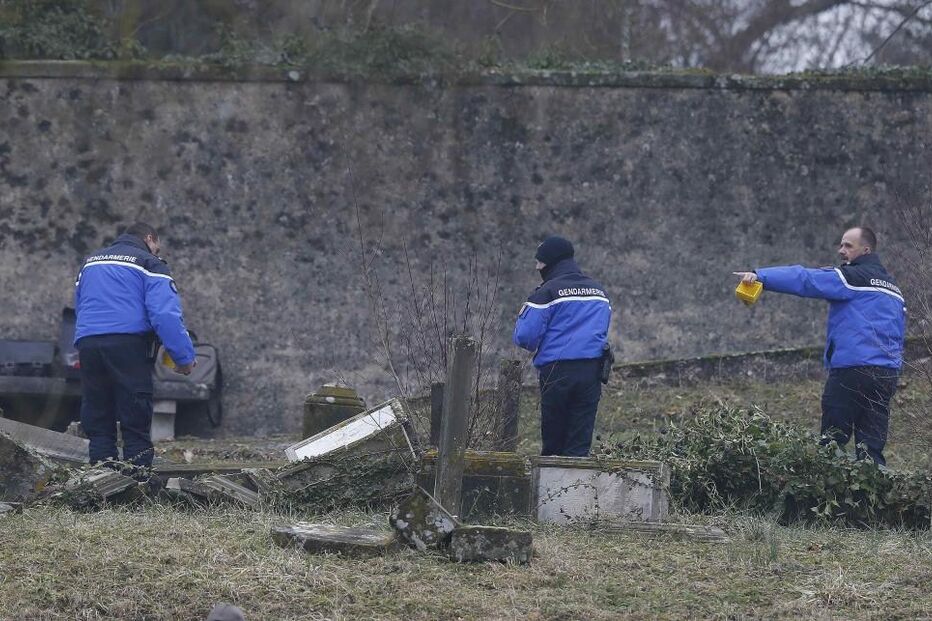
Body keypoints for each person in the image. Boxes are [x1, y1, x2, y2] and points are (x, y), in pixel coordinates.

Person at [734, 226, 906, 466]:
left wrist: (760, 275)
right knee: (872, 450)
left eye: (848, 245)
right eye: (841, 244)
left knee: (832, 445)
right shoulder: (895, 290)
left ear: (865, 250)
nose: (841, 250)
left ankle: (828, 500)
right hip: (886, 375)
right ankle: (868, 501)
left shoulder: (851, 278)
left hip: (851, 371)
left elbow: (806, 279)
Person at [74, 222, 196, 469]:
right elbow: (166, 316)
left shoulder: (90, 262)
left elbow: (81, 305)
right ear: (149, 238)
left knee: (98, 409)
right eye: (156, 247)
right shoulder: (150, 264)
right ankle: (138, 476)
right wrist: (183, 359)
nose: (157, 252)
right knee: (135, 411)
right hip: (127, 344)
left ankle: (101, 472)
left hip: (88, 342)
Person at [513, 235, 612, 457]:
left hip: (557, 373)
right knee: (579, 444)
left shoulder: (546, 292)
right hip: (592, 372)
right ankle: (576, 490)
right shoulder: (599, 292)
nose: (537, 266)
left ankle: (552, 490)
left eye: (539, 262)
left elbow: (525, 338)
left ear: (550, 262)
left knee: (554, 445)